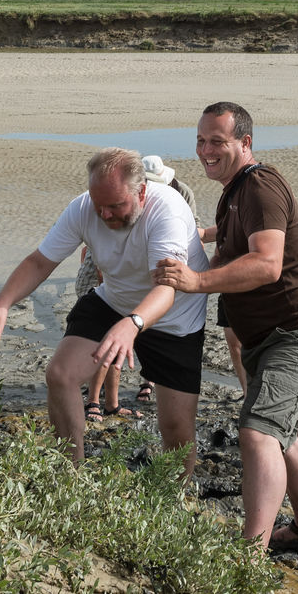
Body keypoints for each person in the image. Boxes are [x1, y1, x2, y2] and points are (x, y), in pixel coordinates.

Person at [153, 102, 298, 554]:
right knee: (285, 434)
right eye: (200, 140)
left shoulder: (259, 185)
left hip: (296, 336)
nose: (205, 150)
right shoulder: (235, 190)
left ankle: (248, 555)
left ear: (245, 143)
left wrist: (197, 281)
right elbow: (234, 244)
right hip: (266, 341)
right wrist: (201, 242)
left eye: (217, 141)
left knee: (257, 433)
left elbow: (267, 264)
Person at [0, 148, 209, 477]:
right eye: (99, 205)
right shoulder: (83, 207)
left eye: (116, 206)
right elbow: (40, 261)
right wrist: (1, 303)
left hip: (175, 316)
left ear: (142, 191)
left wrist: (132, 324)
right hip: (113, 299)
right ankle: (70, 479)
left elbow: (167, 288)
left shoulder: (168, 211)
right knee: (60, 374)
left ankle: (174, 499)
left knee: (176, 426)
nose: (104, 215)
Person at [76, 155, 197, 422]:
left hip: (143, 286)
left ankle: (135, 389)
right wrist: (106, 286)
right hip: (111, 283)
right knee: (108, 341)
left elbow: (187, 236)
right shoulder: (119, 199)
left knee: (137, 334)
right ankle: (95, 400)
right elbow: (95, 254)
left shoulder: (178, 195)